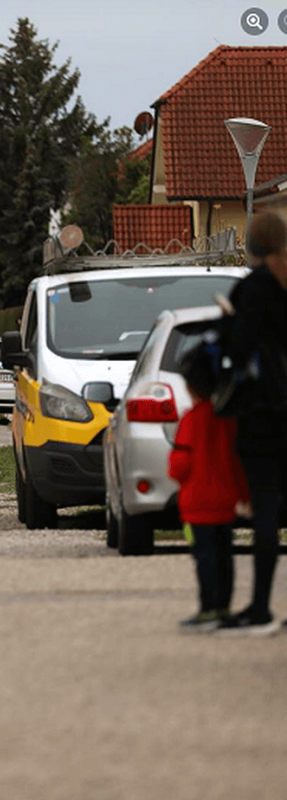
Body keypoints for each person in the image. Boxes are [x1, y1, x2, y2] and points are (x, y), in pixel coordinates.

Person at [218, 211, 287, 634]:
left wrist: (226, 322)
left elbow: (237, 350)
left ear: (252, 247)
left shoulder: (252, 290)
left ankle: (260, 607)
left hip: (264, 414)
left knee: (265, 509)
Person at [169, 343, 250, 632]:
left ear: (190, 387)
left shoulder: (191, 419)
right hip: (225, 503)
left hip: (197, 504)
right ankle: (226, 607)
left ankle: (208, 608)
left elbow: (180, 464)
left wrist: (177, 475)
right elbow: (238, 463)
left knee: (204, 559)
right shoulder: (228, 419)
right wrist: (244, 495)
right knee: (225, 557)